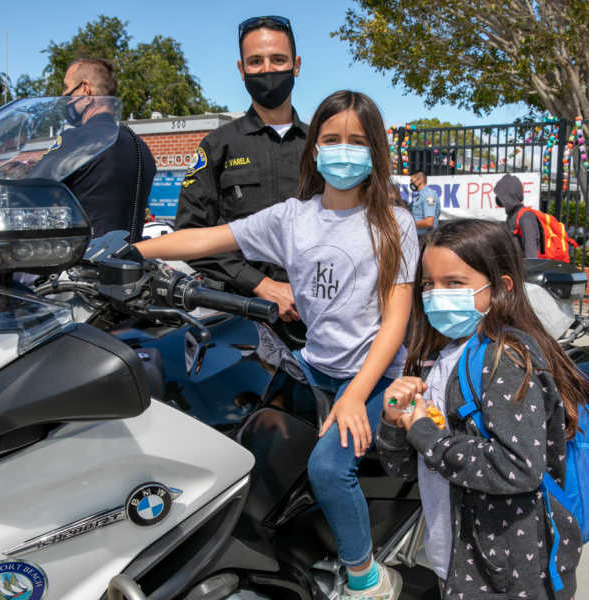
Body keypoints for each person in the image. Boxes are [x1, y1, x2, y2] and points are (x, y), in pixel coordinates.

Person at [137, 90, 419, 600]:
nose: (343, 150)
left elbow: (395, 323)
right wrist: (129, 252)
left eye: (357, 141)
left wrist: (356, 395)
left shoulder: (393, 224)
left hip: (376, 375)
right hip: (311, 364)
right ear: (314, 149)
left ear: (376, 150)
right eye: (332, 139)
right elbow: (206, 239)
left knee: (329, 468)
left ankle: (367, 579)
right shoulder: (292, 218)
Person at [375, 219, 589, 600]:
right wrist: (394, 421)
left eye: (454, 283)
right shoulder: (441, 356)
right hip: (458, 559)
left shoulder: (504, 358)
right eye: (429, 284)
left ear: (501, 288)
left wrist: (424, 432)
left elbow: (518, 467)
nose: (435, 295)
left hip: (507, 574)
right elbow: (408, 467)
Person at [173, 15, 307, 322]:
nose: (268, 70)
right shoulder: (218, 146)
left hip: (317, 317)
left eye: (278, 59)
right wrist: (261, 284)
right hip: (240, 313)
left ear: (296, 65)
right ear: (241, 69)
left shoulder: (321, 145)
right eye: (256, 61)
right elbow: (191, 233)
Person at [32, 58, 156, 241]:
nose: (65, 96)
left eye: (67, 89)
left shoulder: (77, 140)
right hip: (127, 260)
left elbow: (32, 190)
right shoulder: (139, 146)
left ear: (85, 90)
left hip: (83, 261)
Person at [494, 173, 540, 259]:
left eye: (500, 196)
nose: (498, 199)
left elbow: (531, 254)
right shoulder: (512, 216)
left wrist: (528, 271)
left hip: (527, 270)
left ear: (508, 196)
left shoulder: (525, 217)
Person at [409, 170, 441, 236]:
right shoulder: (418, 196)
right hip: (418, 237)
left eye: (412, 180)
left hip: (426, 238)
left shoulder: (428, 195)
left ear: (420, 180)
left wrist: (408, 225)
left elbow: (429, 222)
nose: (411, 183)